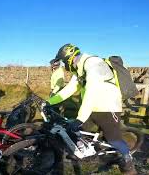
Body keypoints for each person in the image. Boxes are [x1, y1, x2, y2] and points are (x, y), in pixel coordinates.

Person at [46, 44, 137, 174]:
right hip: (92, 107)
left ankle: (128, 161)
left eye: (64, 62)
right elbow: (69, 89)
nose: (64, 66)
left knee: (113, 139)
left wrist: (80, 118)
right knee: (78, 132)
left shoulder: (94, 64)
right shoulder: (79, 69)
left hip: (107, 106)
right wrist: (49, 102)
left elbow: (91, 92)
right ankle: (85, 153)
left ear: (69, 59)